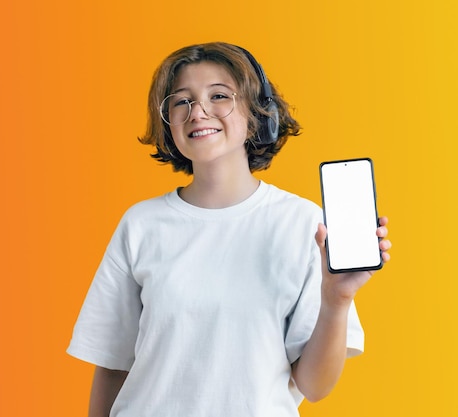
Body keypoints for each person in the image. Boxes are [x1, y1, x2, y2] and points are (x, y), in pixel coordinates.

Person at [67, 42, 391, 417]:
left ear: (256, 114)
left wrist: (337, 300)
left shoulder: (302, 223)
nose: (198, 112)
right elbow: (112, 365)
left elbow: (314, 387)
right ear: (167, 121)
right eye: (181, 101)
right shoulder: (141, 225)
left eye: (218, 95)